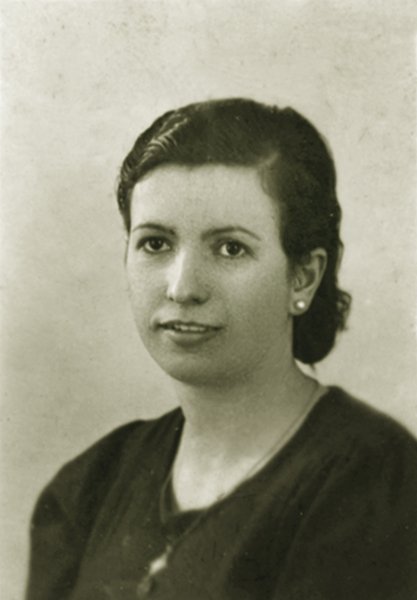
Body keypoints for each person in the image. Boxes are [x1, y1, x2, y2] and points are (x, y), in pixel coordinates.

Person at [26, 98, 417, 600]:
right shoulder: (89, 486)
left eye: (231, 248)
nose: (182, 288)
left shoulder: (371, 479)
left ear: (303, 276)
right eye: (155, 243)